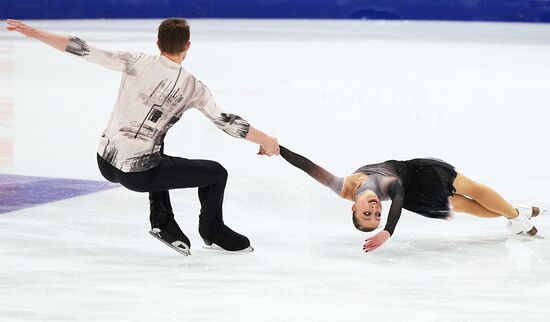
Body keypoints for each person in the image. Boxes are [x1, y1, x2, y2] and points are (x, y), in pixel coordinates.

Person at [6, 18, 280, 255]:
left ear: (158, 43)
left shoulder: (135, 61)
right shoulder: (194, 88)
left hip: (105, 161)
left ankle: (162, 219)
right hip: (139, 175)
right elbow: (227, 122)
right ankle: (213, 230)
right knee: (216, 174)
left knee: (157, 150)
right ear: (187, 47)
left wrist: (34, 33)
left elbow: (83, 49)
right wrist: (266, 139)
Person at [277, 145, 541, 252]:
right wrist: (388, 231)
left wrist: (277, 149)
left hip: (422, 173)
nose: (375, 209)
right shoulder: (385, 186)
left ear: (353, 209)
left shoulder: (342, 187)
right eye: (377, 215)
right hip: (416, 196)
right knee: (466, 206)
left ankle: (515, 214)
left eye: (367, 213)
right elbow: (399, 197)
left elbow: (307, 166)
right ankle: (514, 213)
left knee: (470, 188)